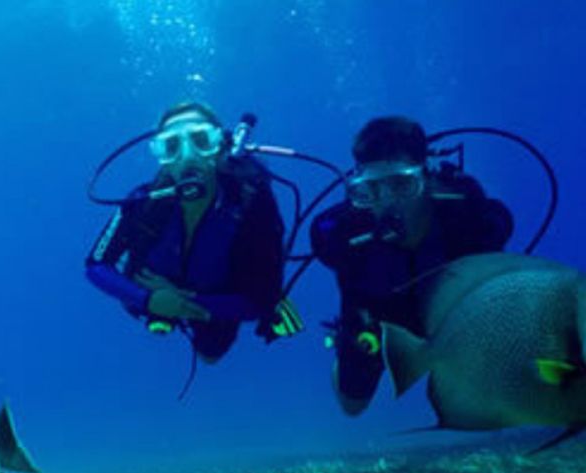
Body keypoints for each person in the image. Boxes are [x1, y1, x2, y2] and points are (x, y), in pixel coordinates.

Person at [310, 116, 514, 415]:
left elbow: (496, 253)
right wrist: (353, 334)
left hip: (453, 314)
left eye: (402, 185)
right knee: (352, 404)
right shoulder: (343, 231)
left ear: (426, 177)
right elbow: (349, 285)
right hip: (379, 318)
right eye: (373, 189)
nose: (389, 202)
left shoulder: (465, 216)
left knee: (496, 385)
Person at [85, 101, 300, 364]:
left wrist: (192, 305)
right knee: (151, 316)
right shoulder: (143, 202)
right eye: (172, 146)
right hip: (154, 294)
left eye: (200, 140)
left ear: (221, 145)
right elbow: (95, 265)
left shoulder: (252, 205)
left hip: (220, 298)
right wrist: (147, 299)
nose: (188, 156)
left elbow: (262, 299)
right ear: (161, 156)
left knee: (210, 354)